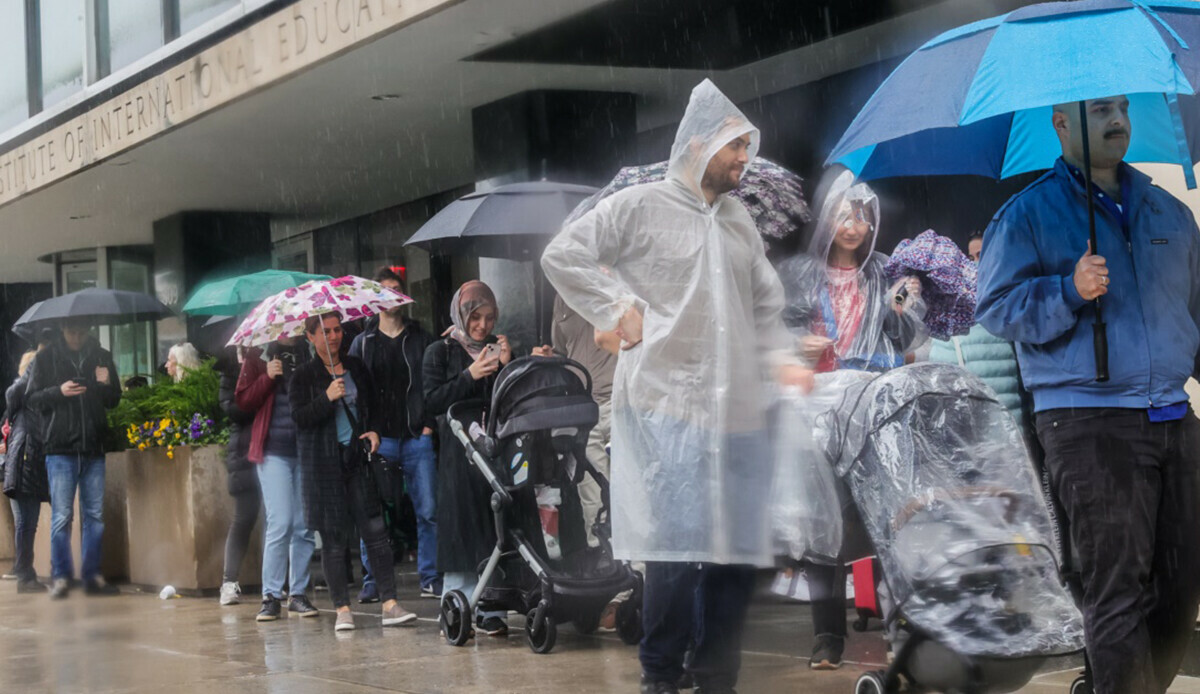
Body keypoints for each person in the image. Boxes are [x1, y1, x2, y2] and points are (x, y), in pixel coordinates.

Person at [541, 79, 812, 694]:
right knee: (673, 553)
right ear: (699, 145)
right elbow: (564, 254)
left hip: (735, 412)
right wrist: (616, 308)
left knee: (733, 554)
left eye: (747, 147)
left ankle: (716, 675)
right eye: (735, 147)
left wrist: (785, 359)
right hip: (667, 409)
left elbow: (765, 305)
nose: (744, 159)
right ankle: (660, 675)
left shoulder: (739, 221)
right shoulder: (640, 207)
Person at [976, 95, 1200, 694]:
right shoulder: (1025, 215)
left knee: (1181, 587)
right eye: (1100, 110)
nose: (1117, 121)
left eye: (1122, 108)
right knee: (1117, 588)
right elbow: (995, 308)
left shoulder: (1169, 212)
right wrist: (1068, 289)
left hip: (1172, 413)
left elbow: (1195, 311)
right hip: (1085, 419)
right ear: (1061, 124)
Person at [777, 171, 927, 671]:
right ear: (827, 217)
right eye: (844, 213)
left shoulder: (885, 272)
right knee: (823, 519)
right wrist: (799, 345)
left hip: (873, 405)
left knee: (890, 515)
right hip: (819, 408)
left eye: (863, 215)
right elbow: (778, 332)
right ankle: (827, 635)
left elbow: (904, 335)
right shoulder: (802, 275)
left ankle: (901, 630)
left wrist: (903, 300)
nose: (853, 225)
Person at [290, 312, 418, 632]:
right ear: (310, 337)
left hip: (358, 460)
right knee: (334, 539)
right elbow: (300, 418)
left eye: (337, 330)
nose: (334, 337)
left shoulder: (356, 367)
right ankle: (342, 609)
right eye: (325, 332)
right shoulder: (302, 376)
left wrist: (374, 431)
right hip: (323, 466)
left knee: (375, 531)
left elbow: (374, 406)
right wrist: (326, 398)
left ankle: (390, 603)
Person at [423, 280, 513, 637]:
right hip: (458, 452)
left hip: (494, 449)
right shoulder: (440, 352)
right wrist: (469, 375)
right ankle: (457, 606)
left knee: (494, 523)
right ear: (461, 316)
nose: (482, 325)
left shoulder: (496, 350)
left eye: (489, 318)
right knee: (462, 526)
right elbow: (430, 401)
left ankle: (491, 606)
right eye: (475, 317)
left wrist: (507, 366)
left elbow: (508, 401)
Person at [349, 266, 439, 603]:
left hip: (416, 435)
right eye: (382, 290)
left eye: (395, 289)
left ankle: (430, 577)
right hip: (379, 438)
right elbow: (355, 392)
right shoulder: (362, 343)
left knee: (428, 510)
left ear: (403, 296)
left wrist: (428, 424)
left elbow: (432, 383)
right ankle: (373, 580)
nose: (390, 296)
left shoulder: (421, 338)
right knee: (374, 514)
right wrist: (364, 428)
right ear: (374, 299)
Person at [24, 319, 122, 599]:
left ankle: (92, 576)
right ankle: (61, 577)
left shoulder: (101, 356)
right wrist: (59, 391)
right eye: (71, 332)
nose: (76, 337)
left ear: (88, 331)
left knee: (95, 515)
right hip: (60, 447)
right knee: (62, 516)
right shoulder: (46, 358)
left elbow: (113, 399)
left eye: (81, 332)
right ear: (62, 330)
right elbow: (31, 399)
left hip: (93, 446)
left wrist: (104, 384)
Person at [236, 335, 318, 621]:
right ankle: (270, 595)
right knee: (280, 522)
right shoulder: (258, 356)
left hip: (305, 449)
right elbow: (243, 401)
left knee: (304, 526)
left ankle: (298, 594)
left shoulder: (310, 354)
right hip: (273, 452)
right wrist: (267, 378)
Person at [928, 233, 1029, 439]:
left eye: (981, 255)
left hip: (1006, 421)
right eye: (971, 257)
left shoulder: (1010, 302)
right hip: (979, 426)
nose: (976, 263)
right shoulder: (953, 312)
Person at [2, 338, 51, 593]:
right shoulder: (23, 394)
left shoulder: (30, 398)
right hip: (25, 458)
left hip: (26, 458)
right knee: (26, 522)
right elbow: (11, 394)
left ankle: (25, 572)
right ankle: (24, 574)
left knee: (27, 522)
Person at [217, 347, 259, 606]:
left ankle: (281, 583)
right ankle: (229, 581)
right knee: (243, 519)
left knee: (279, 521)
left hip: (274, 446)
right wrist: (257, 385)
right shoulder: (231, 372)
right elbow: (233, 409)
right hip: (244, 451)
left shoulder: (272, 361)